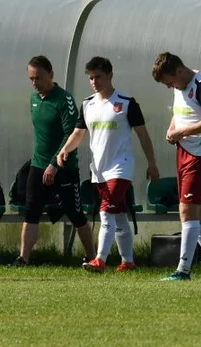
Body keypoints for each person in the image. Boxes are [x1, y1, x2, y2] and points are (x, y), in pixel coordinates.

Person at [56, 56, 160, 273]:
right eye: (91, 78)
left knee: (106, 213)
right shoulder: (87, 104)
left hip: (121, 167)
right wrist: (65, 149)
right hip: (99, 169)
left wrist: (152, 163)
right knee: (119, 215)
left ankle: (99, 260)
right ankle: (128, 261)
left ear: (110, 75)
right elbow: (78, 133)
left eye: (98, 77)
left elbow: (144, 136)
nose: (94, 82)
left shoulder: (127, 103)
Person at [152, 51, 201, 281]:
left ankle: (183, 270)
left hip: (200, 156)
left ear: (178, 71)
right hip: (184, 153)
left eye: (169, 82)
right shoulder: (178, 86)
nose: (169, 87)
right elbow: (181, 114)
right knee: (196, 214)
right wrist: (171, 128)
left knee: (186, 210)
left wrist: (183, 132)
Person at [13, 55, 96, 266]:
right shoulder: (34, 99)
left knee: (75, 214)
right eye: (31, 78)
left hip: (64, 167)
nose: (34, 83)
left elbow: (70, 134)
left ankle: (92, 257)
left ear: (51, 74)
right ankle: (24, 258)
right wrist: (43, 164)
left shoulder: (63, 99)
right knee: (31, 212)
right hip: (37, 165)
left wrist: (54, 164)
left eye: (38, 78)